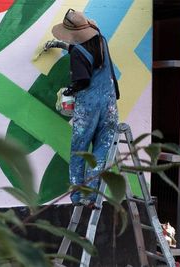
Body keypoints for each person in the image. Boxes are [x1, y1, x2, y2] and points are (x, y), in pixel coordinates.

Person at [44, 9, 120, 208]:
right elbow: (88, 53)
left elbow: (82, 79)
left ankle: (78, 196)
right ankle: (91, 196)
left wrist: (69, 90)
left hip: (88, 107)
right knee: (101, 150)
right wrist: (62, 45)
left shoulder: (78, 52)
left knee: (79, 151)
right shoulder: (100, 40)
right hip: (109, 103)